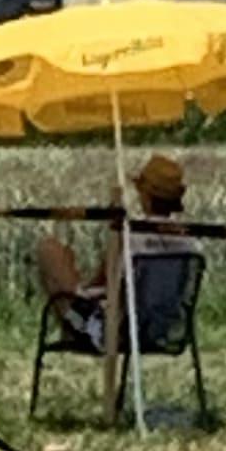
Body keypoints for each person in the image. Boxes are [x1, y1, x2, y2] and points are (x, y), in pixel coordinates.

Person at [35, 151, 188, 355]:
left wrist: (80, 287)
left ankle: (72, 328)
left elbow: (106, 283)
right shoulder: (189, 243)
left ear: (145, 195)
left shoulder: (131, 238)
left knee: (49, 251)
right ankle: (72, 326)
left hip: (116, 332)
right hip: (162, 331)